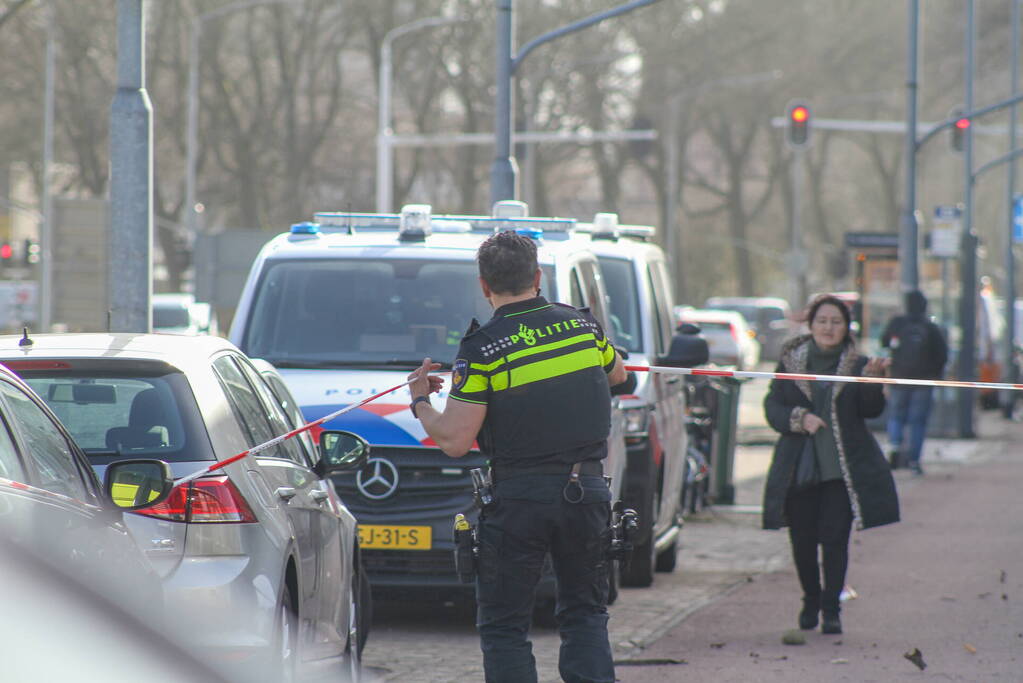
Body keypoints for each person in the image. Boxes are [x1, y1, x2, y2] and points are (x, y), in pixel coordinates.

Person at [406, 230, 628, 683]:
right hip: (586, 491)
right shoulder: (584, 326)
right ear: (538, 277)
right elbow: (618, 374)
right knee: (585, 613)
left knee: (505, 626)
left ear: (484, 285)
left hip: (520, 499)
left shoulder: (483, 348)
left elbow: (454, 441)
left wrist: (421, 401)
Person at [762, 294, 900, 635]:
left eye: (836, 322)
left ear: (846, 328)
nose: (828, 328)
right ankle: (810, 598)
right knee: (803, 541)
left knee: (835, 540)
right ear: (811, 325)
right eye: (822, 321)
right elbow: (772, 407)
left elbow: (871, 411)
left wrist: (874, 382)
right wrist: (799, 418)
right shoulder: (790, 361)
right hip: (799, 469)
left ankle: (831, 608)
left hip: (842, 470)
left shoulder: (858, 365)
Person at [880, 290, 948, 474]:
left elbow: (884, 342)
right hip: (923, 382)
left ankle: (894, 447)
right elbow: (942, 354)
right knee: (917, 422)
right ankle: (914, 461)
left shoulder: (897, 323)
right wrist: (934, 373)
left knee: (896, 416)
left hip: (899, 378)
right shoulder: (930, 327)